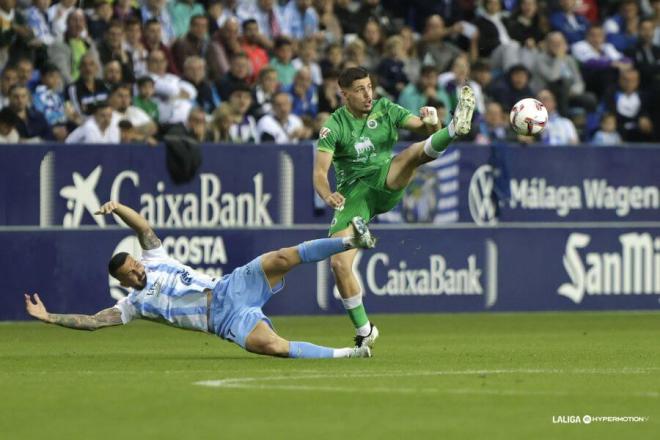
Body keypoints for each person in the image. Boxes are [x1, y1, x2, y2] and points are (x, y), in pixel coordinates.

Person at [24, 201, 375, 359]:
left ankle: (350, 240)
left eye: (134, 262)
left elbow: (143, 227)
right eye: (129, 272)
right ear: (123, 281)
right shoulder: (133, 306)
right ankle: (349, 354)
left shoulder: (155, 258)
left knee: (283, 257)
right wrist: (49, 317)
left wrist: (117, 208)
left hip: (229, 286)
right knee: (273, 347)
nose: (136, 269)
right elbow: (93, 322)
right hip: (223, 321)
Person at [313, 67, 474, 346]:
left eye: (369, 87)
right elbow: (319, 173)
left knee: (410, 155)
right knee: (339, 264)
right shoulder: (334, 125)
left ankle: (454, 128)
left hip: (386, 178)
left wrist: (433, 122)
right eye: (360, 89)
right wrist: (328, 195)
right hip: (354, 196)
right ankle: (365, 332)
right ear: (345, 94)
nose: (368, 94)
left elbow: (424, 130)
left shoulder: (385, 108)